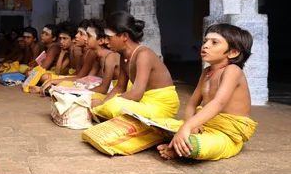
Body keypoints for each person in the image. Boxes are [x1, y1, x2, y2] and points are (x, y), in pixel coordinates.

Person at [156, 23, 257, 161]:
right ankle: (177, 143)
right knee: (156, 126)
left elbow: (218, 103)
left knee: (195, 145)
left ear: (233, 52)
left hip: (225, 134)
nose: (205, 45)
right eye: (205, 41)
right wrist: (192, 125)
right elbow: (192, 105)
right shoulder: (206, 72)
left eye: (214, 43)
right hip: (203, 125)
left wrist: (187, 127)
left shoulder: (232, 70)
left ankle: (178, 147)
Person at [92, 11, 179, 120]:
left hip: (161, 106)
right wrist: (104, 103)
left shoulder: (143, 55)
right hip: (143, 102)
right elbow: (120, 87)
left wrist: (105, 105)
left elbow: (137, 93)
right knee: (100, 102)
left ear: (124, 36)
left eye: (109, 38)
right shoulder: (124, 56)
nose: (106, 42)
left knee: (113, 106)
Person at [32, 20, 97, 95]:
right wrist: (62, 54)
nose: (76, 36)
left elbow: (81, 77)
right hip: (79, 79)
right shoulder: (72, 50)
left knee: (47, 78)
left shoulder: (79, 51)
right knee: (47, 78)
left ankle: (45, 90)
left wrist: (57, 80)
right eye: (60, 39)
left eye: (81, 34)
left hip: (83, 81)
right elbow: (58, 71)